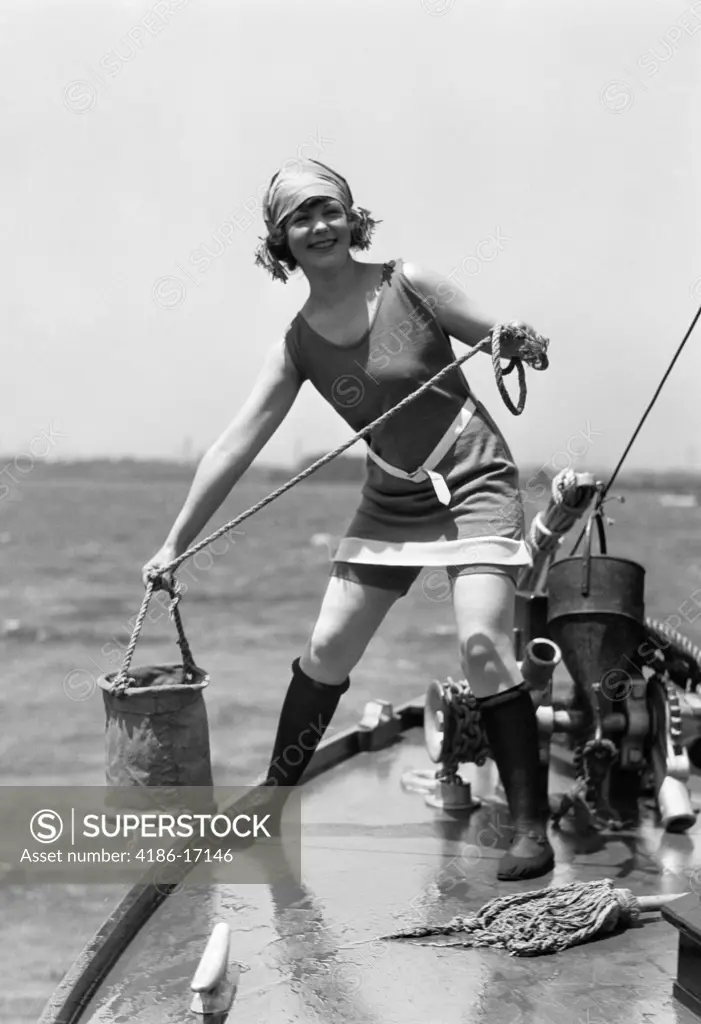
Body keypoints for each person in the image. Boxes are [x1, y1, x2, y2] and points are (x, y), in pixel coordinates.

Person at [143, 159, 553, 881]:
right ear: (281, 240)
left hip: (473, 477)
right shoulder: (297, 343)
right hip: (393, 495)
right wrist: (175, 543)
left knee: (484, 649)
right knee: (327, 648)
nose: (319, 226)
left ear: (351, 216)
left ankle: (528, 827)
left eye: (328, 210)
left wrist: (521, 342)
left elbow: (506, 339)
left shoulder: (409, 282)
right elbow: (236, 442)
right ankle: (272, 799)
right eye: (300, 217)